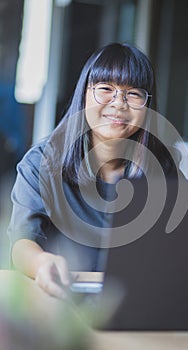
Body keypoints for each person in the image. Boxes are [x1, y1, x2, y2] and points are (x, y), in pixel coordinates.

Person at [7, 43, 177, 298]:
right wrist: (42, 264)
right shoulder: (42, 162)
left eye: (133, 94)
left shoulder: (163, 167)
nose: (119, 103)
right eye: (106, 89)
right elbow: (21, 244)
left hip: (134, 301)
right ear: (84, 94)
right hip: (58, 300)